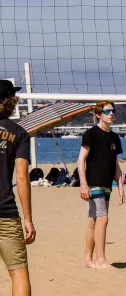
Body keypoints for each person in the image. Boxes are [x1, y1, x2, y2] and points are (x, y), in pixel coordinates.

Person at [77, 101, 125, 269]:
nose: (111, 113)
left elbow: (116, 165)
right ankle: (101, 260)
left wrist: (120, 186)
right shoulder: (91, 134)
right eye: (107, 111)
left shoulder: (114, 137)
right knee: (103, 219)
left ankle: (88, 259)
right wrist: (83, 184)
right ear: (98, 114)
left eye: (113, 110)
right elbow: (81, 159)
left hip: (107, 184)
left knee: (94, 220)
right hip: (93, 183)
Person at [0, 80, 36, 295]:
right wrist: (28, 219)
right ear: (11, 101)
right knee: (18, 272)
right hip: (6, 213)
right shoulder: (19, 133)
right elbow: (22, 178)